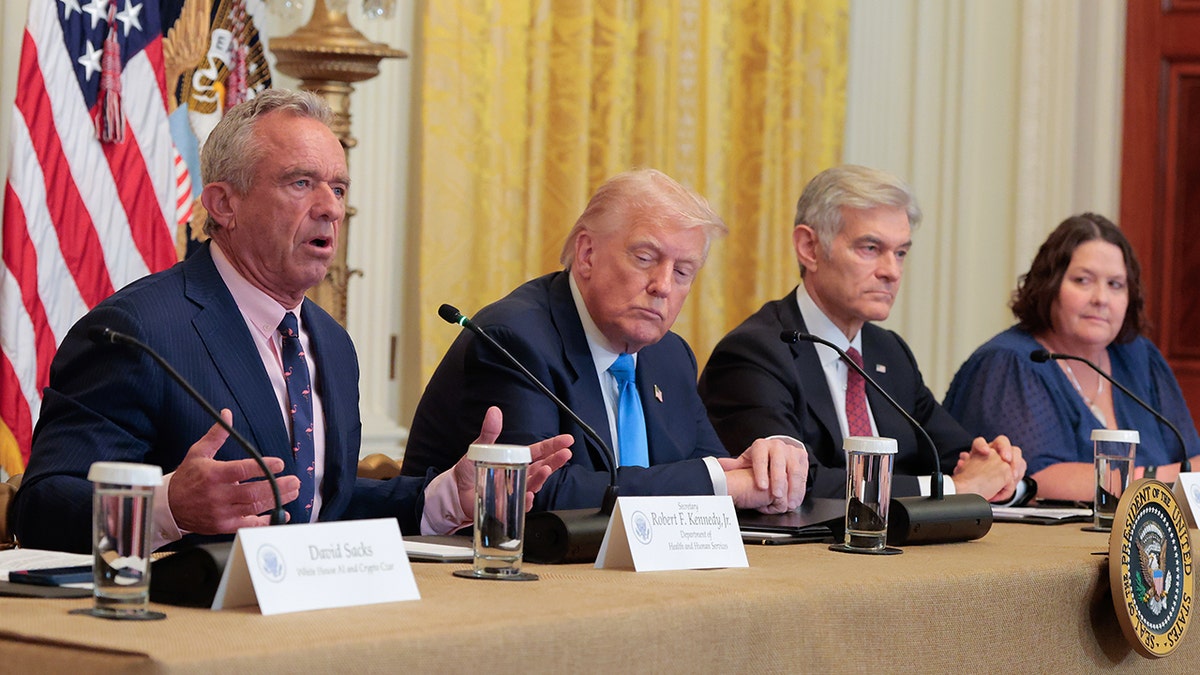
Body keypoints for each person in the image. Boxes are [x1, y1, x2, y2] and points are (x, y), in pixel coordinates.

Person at [12, 90, 571, 554]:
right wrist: (167, 508)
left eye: (339, 188)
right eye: (301, 183)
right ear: (224, 205)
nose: (330, 207)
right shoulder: (138, 332)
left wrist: (448, 497)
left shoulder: (330, 342)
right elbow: (42, 508)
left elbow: (317, 510)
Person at [402, 169, 807, 514]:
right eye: (645, 258)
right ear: (587, 254)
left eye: (683, 272)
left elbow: (715, 468)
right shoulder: (514, 340)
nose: (663, 286)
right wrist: (723, 484)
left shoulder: (670, 356)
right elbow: (538, 495)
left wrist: (763, 465)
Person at [698, 164, 1026, 502]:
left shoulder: (889, 352)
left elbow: (959, 456)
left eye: (900, 253)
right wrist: (957, 489)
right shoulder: (753, 353)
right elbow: (792, 485)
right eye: (870, 249)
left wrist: (1001, 470)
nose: (892, 271)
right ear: (809, 248)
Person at [944, 213, 1200, 501]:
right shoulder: (1008, 364)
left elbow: (1192, 459)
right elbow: (1039, 479)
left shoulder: (1140, 357)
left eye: (1115, 284)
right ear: (1049, 286)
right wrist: (1163, 480)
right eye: (1083, 280)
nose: (1101, 298)